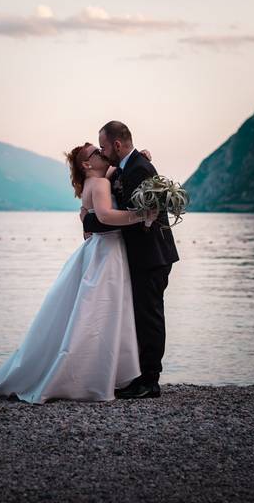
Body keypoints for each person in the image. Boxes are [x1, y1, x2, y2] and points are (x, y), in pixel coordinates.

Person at [0, 142, 157, 404]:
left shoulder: (97, 181)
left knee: (92, 315)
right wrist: (142, 215)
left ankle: (99, 374)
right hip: (108, 254)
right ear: (86, 164)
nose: (102, 154)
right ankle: (97, 376)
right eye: (96, 153)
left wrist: (142, 156)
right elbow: (104, 216)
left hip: (98, 251)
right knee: (103, 314)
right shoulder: (101, 184)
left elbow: (117, 171)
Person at [82, 121, 179, 399]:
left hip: (152, 256)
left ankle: (150, 381)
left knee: (150, 317)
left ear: (116, 144)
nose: (101, 152)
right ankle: (141, 375)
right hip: (143, 255)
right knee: (141, 316)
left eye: (103, 146)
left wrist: (90, 219)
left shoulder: (139, 169)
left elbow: (128, 215)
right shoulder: (128, 167)